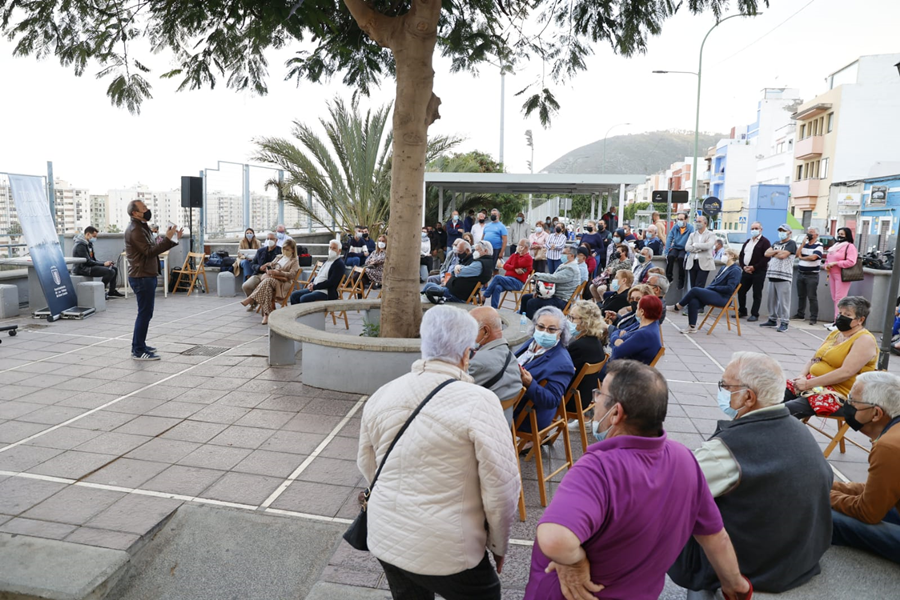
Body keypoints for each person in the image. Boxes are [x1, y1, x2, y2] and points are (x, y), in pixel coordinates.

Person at [525, 360, 751, 600]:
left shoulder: (597, 470)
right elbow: (716, 537)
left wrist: (575, 561)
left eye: (600, 394)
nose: (595, 401)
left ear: (616, 413)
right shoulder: (684, 459)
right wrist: (734, 585)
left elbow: (555, 539)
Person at [358, 305, 521, 600]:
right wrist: (498, 545)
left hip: (387, 536)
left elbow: (368, 466)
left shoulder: (383, 393)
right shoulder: (480, 401)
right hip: (450, 549)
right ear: (466, 352)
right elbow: (502, 487)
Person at [669, 352, 833, 595]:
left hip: (754, 567)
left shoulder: (727, 449)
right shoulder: (799, 428)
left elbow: (671, 491)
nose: (721, 390)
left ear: (748, 397)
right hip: (803, 558)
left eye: (725, 385)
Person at [830, 371, 900, 564]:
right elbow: (879, 490)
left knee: (823, 513)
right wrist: (832, 486)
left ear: (876, 413)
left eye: (853, 401)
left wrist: (824, 495)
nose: (847, 405)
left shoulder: (889, 446)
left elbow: (867, 512)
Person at [783, 296, 878, 419]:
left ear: (860, 320)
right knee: (771, 397)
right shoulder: (836, 334)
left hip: (840, 394)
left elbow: (846, 372)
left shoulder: (864, 340)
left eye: (847, 314)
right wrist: (802, 375)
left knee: (784, 410)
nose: (841, 317)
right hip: (814, 383)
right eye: (840, 313)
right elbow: (814, 359)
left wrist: (807, 384)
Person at [124, 200, 180, 360]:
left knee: (146, 313)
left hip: (146, 274)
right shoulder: (135, 230)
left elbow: (154, 244)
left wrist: (171, 239)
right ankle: (138, 350)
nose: (147, 210)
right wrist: (168, 239)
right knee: (144, 313)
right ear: (135, 213)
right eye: (144, 209)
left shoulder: (142, 227)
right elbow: (149, 252)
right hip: (141, 276)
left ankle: (139, 344)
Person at [514, 306, 576, 433]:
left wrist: (530, 384)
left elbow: (552, 400)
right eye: (541, 327)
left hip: (525, 414)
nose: (544, 332)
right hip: (513, 398)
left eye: (552, 329)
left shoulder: (562, 363)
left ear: (561, 332)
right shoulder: (533, 342)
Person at [468, 306, 524, 425]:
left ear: (486, 331)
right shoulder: (511, 358)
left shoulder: (476, 363)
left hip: (477, 431)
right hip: (502, 428)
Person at [671, 248, 742, 333]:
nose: (723, 256)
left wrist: (713, 288)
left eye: (725, 254)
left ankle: (677, 307)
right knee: (693, 301)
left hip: (723, 298)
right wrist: (710, 288)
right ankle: (692, 327)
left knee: (694, 290)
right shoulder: (723, 267)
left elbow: (730, 288)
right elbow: (714, 282)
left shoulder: (735, 270)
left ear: (732, 256)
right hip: (714, 293)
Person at [565, 301, 607, 419]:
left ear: (585, 322)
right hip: (585, 397)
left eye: (572, 318)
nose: (569, 321)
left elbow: (561, 371)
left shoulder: (579, 346)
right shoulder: (595, 341)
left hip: (571, 400)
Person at [241, 238, 299, 324]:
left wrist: (280, 272)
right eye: (284, 249)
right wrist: (269, 269)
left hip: (283, 282)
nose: (285, 251)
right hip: (272, 279)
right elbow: (271, 265)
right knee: (267, 287)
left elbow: (292, 275)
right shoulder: (279, 257)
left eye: (287, 250)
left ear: (293, 250)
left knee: (268, 281)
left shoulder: (294, 261)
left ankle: (251, 298)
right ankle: (266, 315)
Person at [520, 246, 581, 319]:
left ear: (572, 255)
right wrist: (539, 292)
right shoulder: (565, 265)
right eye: (562, 253)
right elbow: (553, 277)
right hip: (553, 295)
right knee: (525, 298)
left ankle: (532, 326)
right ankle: (522, 320)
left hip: (561, 300)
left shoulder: (571, 269)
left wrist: (536, 275)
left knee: (532, 303)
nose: (562, 255)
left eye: (564, 253)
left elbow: (554, 278)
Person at [425, 241, 494, 304]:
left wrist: (458, 267)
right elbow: (452, 271)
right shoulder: (485, 262)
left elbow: (459, 272)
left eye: (477, 250)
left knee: (429, 287)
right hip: (454, 291)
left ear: (485, 251)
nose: (475, 252)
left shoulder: (479, 264)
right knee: (430, 284)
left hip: (456, 296)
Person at [759, 224, 798, 333]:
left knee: (784, 302)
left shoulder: (791, 243)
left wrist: (774, 252)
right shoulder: (776, 243)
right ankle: (772, 319)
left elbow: (783, 255)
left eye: (784, 231)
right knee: (771, 300)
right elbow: (766, 253)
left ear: (789, 232)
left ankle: (785, 322)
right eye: (780, 230)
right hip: (772, 275)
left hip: (783, 276)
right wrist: (776, 251)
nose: (781, 232)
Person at [287, 239, 344, 307]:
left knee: (304, 298)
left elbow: (331, 282)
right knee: (294, 295)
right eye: (330, 247)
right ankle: (296, 316)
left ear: (339, 251)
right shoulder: (328, 261)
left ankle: (306, 317)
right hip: (316, 288)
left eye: (334, 248)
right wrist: (311, 283)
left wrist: (315, 287)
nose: (331, 250)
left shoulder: (339, 264)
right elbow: (319, 275)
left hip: (326, 292)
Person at [823, 227, 859, 330]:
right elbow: (828, 259)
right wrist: (827, 265)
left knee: (840, 299)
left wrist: (836, 263)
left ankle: (839, 323)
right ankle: (835, 321)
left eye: (842, 234)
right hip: (833, 274)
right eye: (839, 233)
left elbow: (851, 261)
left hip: (842, 275)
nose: (840, 236)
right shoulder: (835, 246)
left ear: (847, 235)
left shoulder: (850, 246)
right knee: (835, 298)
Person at [610, 295, 663, 365]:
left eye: (637, 308)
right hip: (630, 367)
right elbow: (618, 331)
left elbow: (616, 353)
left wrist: (616, 339)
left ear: (642, 312)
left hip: (626, 371)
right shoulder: (650, 324)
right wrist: (617, 340)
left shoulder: (644, 333)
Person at [73, 226, 123, 299]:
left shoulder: (88, 244)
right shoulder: (80, 245)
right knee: (110, 271)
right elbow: (87, 261)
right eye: (94, 236)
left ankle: (112, 291)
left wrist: (106, 262)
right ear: (87, 234)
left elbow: (93, 260)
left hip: (89, 265)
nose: (95, 238)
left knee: (114, 268)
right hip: (83, 268)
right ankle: (101, 291)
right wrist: (103, 264)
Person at [482, 239, 533, 309]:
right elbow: (505, 266)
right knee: (497, 287)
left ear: (526, 248)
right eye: (518, 245)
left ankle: (484, 296)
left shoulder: (528, 258)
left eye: (520, 245)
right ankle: (494, 309)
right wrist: (514, 268)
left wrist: (517, 254)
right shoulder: (513, 255)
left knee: (497, 277)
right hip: (507, 279)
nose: (518, 247)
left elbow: (516, 265)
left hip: (517, 282)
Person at [737, 222, 771, 323]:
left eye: (756, 228)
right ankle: (742, 310)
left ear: (761, 229)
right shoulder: (748, 241)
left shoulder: (765, 242)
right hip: (746, 271)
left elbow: (766, 257)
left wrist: (754, 267)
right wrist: (744, 267)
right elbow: (741, 255)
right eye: (752, 228)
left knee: (756, 293)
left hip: (758, 271)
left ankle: (754, 313)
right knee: (741, 290)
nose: (754, 230)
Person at [241, 231, 281, 307]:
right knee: (245, 286)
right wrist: (259, 267)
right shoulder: (261, 251)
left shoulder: (280, 251)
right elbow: (252, 263)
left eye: (271, 239)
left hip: (271, 275)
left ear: (276, 240)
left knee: (264, 286)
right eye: (268, 238)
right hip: (258, 274)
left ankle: (255, 301)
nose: (269, 240)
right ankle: (253, 303)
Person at [794, 227, 823, 326]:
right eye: (808, 232)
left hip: (812, 275)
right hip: (801, 273)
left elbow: (814, 257)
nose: (809, 234)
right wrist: (802, 244)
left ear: (816, 235)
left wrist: (803, 258)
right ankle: (800, 314)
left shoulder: (819, 245)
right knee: (801, 296)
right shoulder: (805, 245)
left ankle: (813, 317)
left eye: (811, 233)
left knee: (812, 296)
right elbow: (797, 255)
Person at [666, 212, 694, 291]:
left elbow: (692, 240)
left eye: (681, 219)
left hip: (684, 248)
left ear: (686, 219)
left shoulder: (691, 228)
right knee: (670, 257)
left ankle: (681, 280)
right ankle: (669, 277)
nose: (679, 221)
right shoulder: (675, 227)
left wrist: (688, 252)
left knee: (681, 259)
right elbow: (669, 238)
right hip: (676, 247)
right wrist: (666, 250)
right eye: (678, 219)